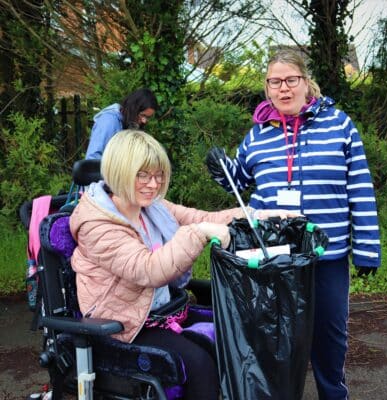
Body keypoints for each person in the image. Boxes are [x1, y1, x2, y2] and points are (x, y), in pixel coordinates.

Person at [206, 49, 381, 400]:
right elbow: (238, 183)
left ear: (306, 82)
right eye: (275, 82)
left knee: (329, 341)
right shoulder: (257, 135)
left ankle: (334, 395)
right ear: (267, 88)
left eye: (290, 80)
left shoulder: (339, 124)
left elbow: (360, 188)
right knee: (275, 344)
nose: (283, 89)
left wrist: (366, 248)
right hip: (273, 261)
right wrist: (222, 167)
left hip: (326, 259)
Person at [70, 129, 294, 400]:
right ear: (120, 172)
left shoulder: (152, 207)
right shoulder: (97, 224)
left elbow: (204, 216)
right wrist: (198, 233)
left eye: (158, 175)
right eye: (143, 175)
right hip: (124, 324)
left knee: (239, 341)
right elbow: (148, 269)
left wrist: (258, 215)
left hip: (161, 312)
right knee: (199, 364)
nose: (153, 184)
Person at [85, 88, 158, 159]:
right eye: (142, 115)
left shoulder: (129, 122)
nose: (144, 121)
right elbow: (92, 158)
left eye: (148, 117)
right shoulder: (109, 121)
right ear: (133, 108)